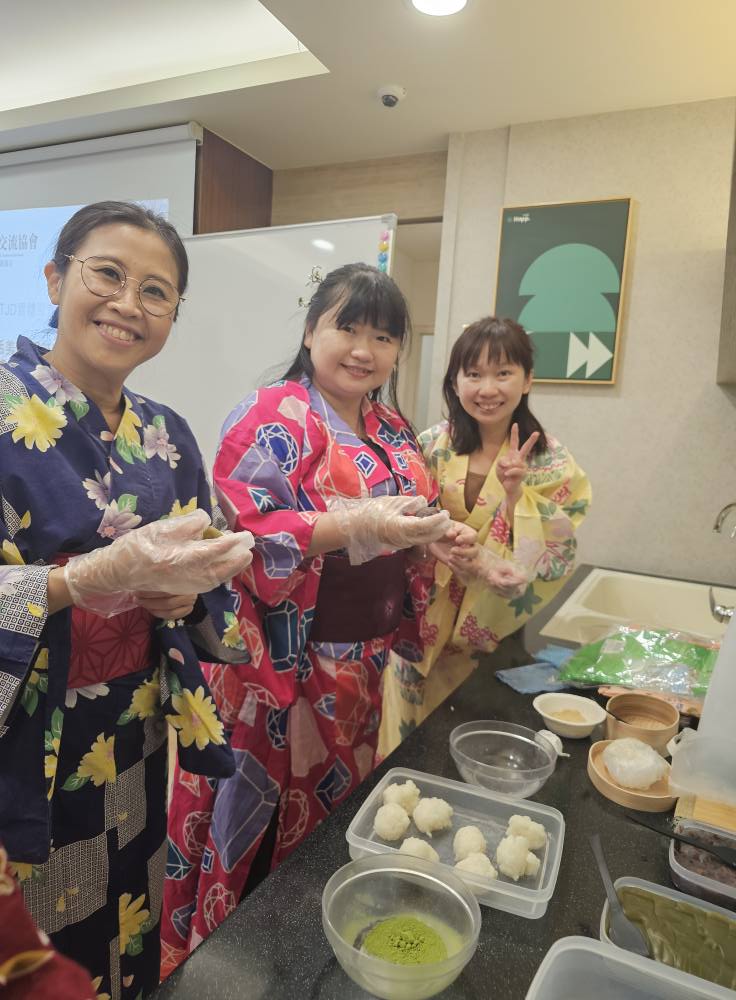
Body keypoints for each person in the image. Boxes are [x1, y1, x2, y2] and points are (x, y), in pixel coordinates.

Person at [162, 263, 470, 974]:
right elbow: (244, 530)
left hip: (359, 662)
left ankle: (309, 944)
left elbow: (410, 514)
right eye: (347, 328)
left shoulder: (392, 427)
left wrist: (432, 535)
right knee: (259, 811)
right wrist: (357, 523)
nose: (364, 350)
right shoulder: (270, 413)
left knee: (334, 808)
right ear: (310, 331)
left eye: (383, 337)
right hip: (284, 657)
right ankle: (231, 959)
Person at [0, 201, 254, 998]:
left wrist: (188, 595)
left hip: (136, 729)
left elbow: (207, 570)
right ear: (55, 278)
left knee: (127, 916)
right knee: (42, 950)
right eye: (106, 274)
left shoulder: (167, 433)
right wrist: (79, 581)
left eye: (155, 292)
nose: (127, 305)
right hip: (28, 740)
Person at [379, 316, 592, 755]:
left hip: (492, 627)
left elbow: (557, 549)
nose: (487, 388)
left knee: (471, 740)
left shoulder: (550, 460)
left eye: (503, 373)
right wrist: (429, 539)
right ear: (455, 382)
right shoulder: (431, 445)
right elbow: (396, 516)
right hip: (419, 618)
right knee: (404, 741)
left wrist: (517, 497)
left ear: (527, 379)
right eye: (473, 374)